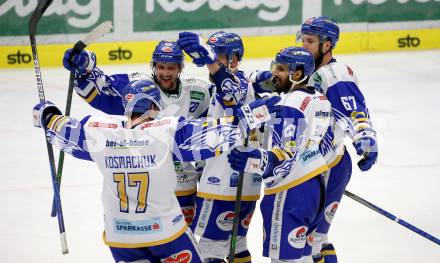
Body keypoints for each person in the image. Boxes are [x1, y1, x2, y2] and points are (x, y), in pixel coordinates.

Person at [32, 79, 280, 262]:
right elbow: (214, 136)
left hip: (121, 237)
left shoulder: (100, 133)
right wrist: (250, 117)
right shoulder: (165, 132)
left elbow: (63, 132)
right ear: (154, 106)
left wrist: (47, 115)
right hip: (164, 233)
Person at [62, 40, 213, 225]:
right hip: (149, 179)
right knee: (151, 235)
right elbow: (102, 87)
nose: (165, 73)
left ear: (180, 68)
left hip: (184, 183)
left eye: (171, 68)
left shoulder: (199, 91)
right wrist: (84, 65)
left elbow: (217, 116)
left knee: (182, 239)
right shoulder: (139, 85)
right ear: (154, 66)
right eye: (161, 67)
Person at [228, 47, 332, 263]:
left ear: (297, 74)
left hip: (290, 191)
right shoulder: (321, 100)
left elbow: (284, 154)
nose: (275, 73)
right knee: (302, 257)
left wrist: (254, 161)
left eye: (282, 69)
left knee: (284, 261)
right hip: (315, 186)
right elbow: (320, 145)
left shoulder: (291, 103)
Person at [298, 17, 379, 262]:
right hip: (316, 165)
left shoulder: (334, 74)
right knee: (312, 240)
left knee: (311, 242)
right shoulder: (312, 70)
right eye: (303, 40)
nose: (304, 46)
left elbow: (354, 111)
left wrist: (365, 139)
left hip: (328, 167)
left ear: (327, 45)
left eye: (310, 41)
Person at [177, 31, 259, 262]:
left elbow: (230, 92)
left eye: (219, 55)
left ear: (233, 59)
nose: (212, 59)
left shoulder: (236, 84)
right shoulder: (244, 84)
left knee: (207, 250)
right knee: (238, 245)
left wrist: (211, 61)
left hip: (222, 185)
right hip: (245, 185)